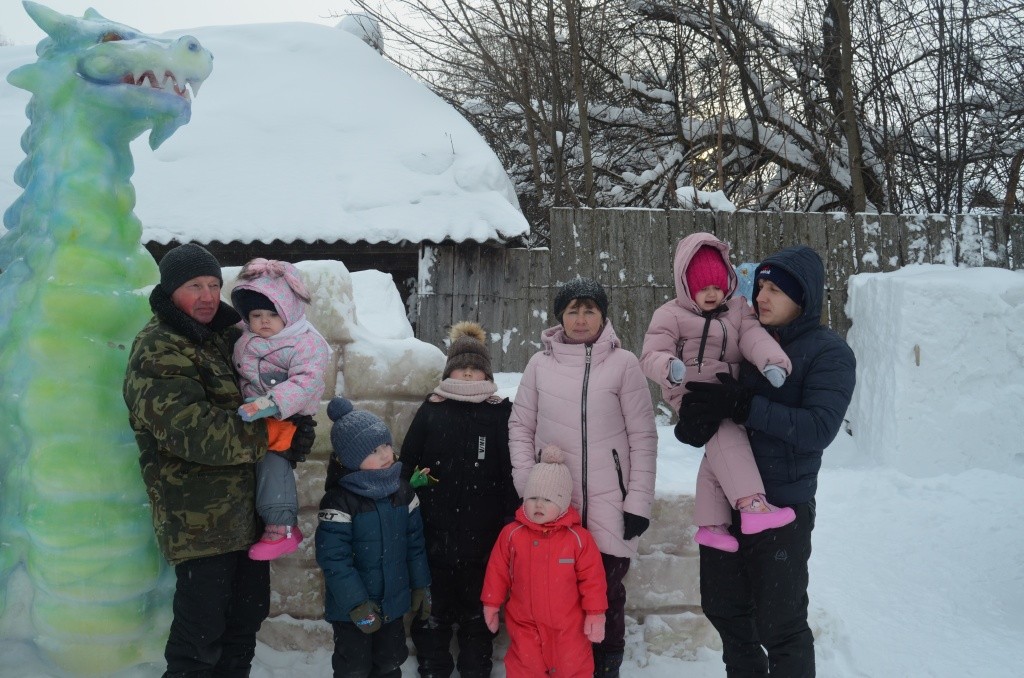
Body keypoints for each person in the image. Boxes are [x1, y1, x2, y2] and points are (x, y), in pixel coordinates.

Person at [123, 243, 316, 677]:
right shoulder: (157, 349)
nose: (209, 296)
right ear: (171, 291)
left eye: (214, 284)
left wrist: (294, 423)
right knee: (200, 638)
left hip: (248, 516)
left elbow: (276, 376)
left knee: (243, 626)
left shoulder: (230, 336)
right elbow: (192, 430)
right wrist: (269, 433)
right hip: (199, 521)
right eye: (195, 286)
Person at [676, 245, 856, 677]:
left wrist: (743, 405)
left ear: (804, 297)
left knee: (781, 624)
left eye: (776, 289)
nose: (762, 297)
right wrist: (698, 420)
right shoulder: (743, 340)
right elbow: (720, 407)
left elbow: (818, 429)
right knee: (726, 611)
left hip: (784, 508)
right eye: (760, 286)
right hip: (729, 503)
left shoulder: (829, 353)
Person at [508, 276, 657, 677]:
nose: (580, 318)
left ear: (603, 316)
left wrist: (638, 501)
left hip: (612, 505)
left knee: (605, 595)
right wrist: (528, 484)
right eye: (572, 309)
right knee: (557, 597)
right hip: (554, 505)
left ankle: (606, 667)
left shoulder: (624, 365)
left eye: (589, 309)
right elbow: (520, 427)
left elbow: (643, 436)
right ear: (560, 317)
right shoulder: (540, 365)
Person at [640, 233, 796, 553]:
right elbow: (651, 354)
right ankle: (751, 503)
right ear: (687, 286)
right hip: (689, 388)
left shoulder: (738, 309)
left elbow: (755, 338)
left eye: (716, 286)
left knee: (720, 444)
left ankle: (711, 525)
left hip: (726, 387)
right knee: (725, 432)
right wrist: (668, 367)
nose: (711, 294)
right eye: (702, 288)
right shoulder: (670, 314)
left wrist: (772, 362)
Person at [400, 321, 517, 678]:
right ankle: (434, 666)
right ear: (449, 370)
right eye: (461, 366)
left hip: (482, 540)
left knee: (478, 612)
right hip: (434, 534)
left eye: (475, 366)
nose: (468, 372)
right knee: (431, 611)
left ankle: (475, 666)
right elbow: (408, 461)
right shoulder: (432, 409)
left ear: (487, 371)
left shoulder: (499, 412)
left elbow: (510, 470)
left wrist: (510, 518)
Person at [315, 397, 432, 678]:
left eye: (386, 446)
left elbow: (414, 546)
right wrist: (356, 603)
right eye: (373, 450)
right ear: (352, 458)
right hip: (353, 611)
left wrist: (420, 585)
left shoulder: (403, 492)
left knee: (390, 662)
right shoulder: (340, 500)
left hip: (392, 604)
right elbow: (334, 559)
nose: (384, 455)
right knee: (353, 667)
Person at [230, 258, 331, 560]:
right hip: (251, 414)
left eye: (272, 314)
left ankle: (282, 526)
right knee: (256, 467)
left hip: (286, 415)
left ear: (289, 312)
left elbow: (306, 381)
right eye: (256, 314)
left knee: (274, 461)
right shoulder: (246, 335)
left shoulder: (305, 343)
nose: (263, 321)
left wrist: (269, 404)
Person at [481, 445, 608, 678]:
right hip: (524, 625)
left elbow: (593, 580)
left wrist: (596, 613)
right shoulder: (512, 534)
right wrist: (491, 604)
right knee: (524, 668)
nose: (538, 505)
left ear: (562, 503)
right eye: (533, 497)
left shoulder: (578, 539)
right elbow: (497, 571)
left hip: (569, 627)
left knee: (573, 667)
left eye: (547, 499)